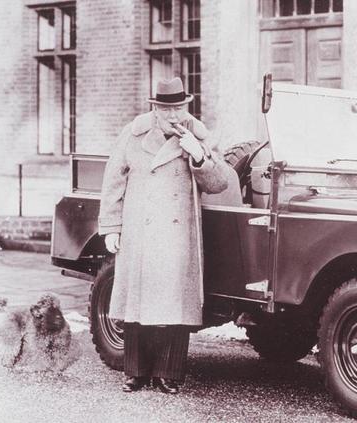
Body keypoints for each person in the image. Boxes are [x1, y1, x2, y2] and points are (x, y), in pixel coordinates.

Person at [98, 77, 230, 394]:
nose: (174, 115)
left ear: (187, 106)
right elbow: (113, 180)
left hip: (176, 233)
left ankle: (168, 373)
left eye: (179, 108)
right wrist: (111, 226)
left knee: (174, 304)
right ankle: (136, 372)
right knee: (137, 301)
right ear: (156, 108)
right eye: (167, 109)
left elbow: (220, 182)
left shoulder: (199, 136)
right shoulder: (133, 135)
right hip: (139, 232)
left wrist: (199, 156)